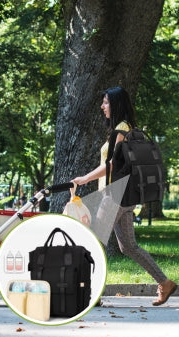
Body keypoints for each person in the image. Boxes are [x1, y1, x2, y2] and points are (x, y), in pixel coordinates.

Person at [72, 86, 177, 306]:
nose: (103, 106)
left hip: (115, 195)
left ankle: (92, 294)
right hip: (126, 195)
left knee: (94, 241)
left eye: (106, 102)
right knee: (128, 246)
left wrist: (84, 178)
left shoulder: (120, 131)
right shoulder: (129, 127)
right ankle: (165, 283)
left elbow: (110, 165)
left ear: (116, 104)